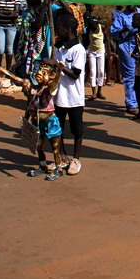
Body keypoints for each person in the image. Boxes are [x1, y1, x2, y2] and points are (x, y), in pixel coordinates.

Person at [52, 14, 87, 175]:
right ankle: (62, 157)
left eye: (59, 29)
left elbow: (75, 74)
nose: (57, 32)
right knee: (58, 128)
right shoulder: (60, 48)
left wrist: (57, 65)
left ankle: (76, 158)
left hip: (74, 98)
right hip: (60, 97)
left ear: (68, 30)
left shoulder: (78, 50)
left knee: (77, 129)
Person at [26, 58, 65, 181]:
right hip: (37, 121)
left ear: (51, 76)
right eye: (39, 71)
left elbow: (56, 81)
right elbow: (29, 104)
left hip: (50, 122)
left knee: (55, 146)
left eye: (44, 73)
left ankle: (58, 168)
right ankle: (42, 165)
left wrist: (59, 70)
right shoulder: (34, 89)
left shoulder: (50, 88)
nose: (39, 74)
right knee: (38, 145)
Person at [110, 5, 140, 114]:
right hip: (126, 48)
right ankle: (131, 103)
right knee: (130, 75)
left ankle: (139, 98)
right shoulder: (122, 16)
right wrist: (124, 30)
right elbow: (114, 32)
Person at [86, 16, 106, 100]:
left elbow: (106, 38)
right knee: (93, 72)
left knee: (101, 72)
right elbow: (86, 39)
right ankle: (93, 93)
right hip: (92, 52)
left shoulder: (103, 27)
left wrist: (107, 50)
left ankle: (99, 91)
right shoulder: (88, 29)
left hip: (101, 51)